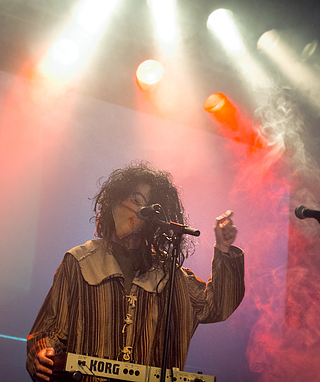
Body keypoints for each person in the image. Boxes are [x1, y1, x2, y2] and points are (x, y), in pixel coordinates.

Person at [26, 162, 245, 381]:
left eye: (149, 205)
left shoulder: (169, 274)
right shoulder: (80, 262)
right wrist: (43, 353)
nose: (139, 210)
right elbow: (49, 329)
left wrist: (224, 250)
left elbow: (216, 306)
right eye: (135, 199)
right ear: (115, 200)